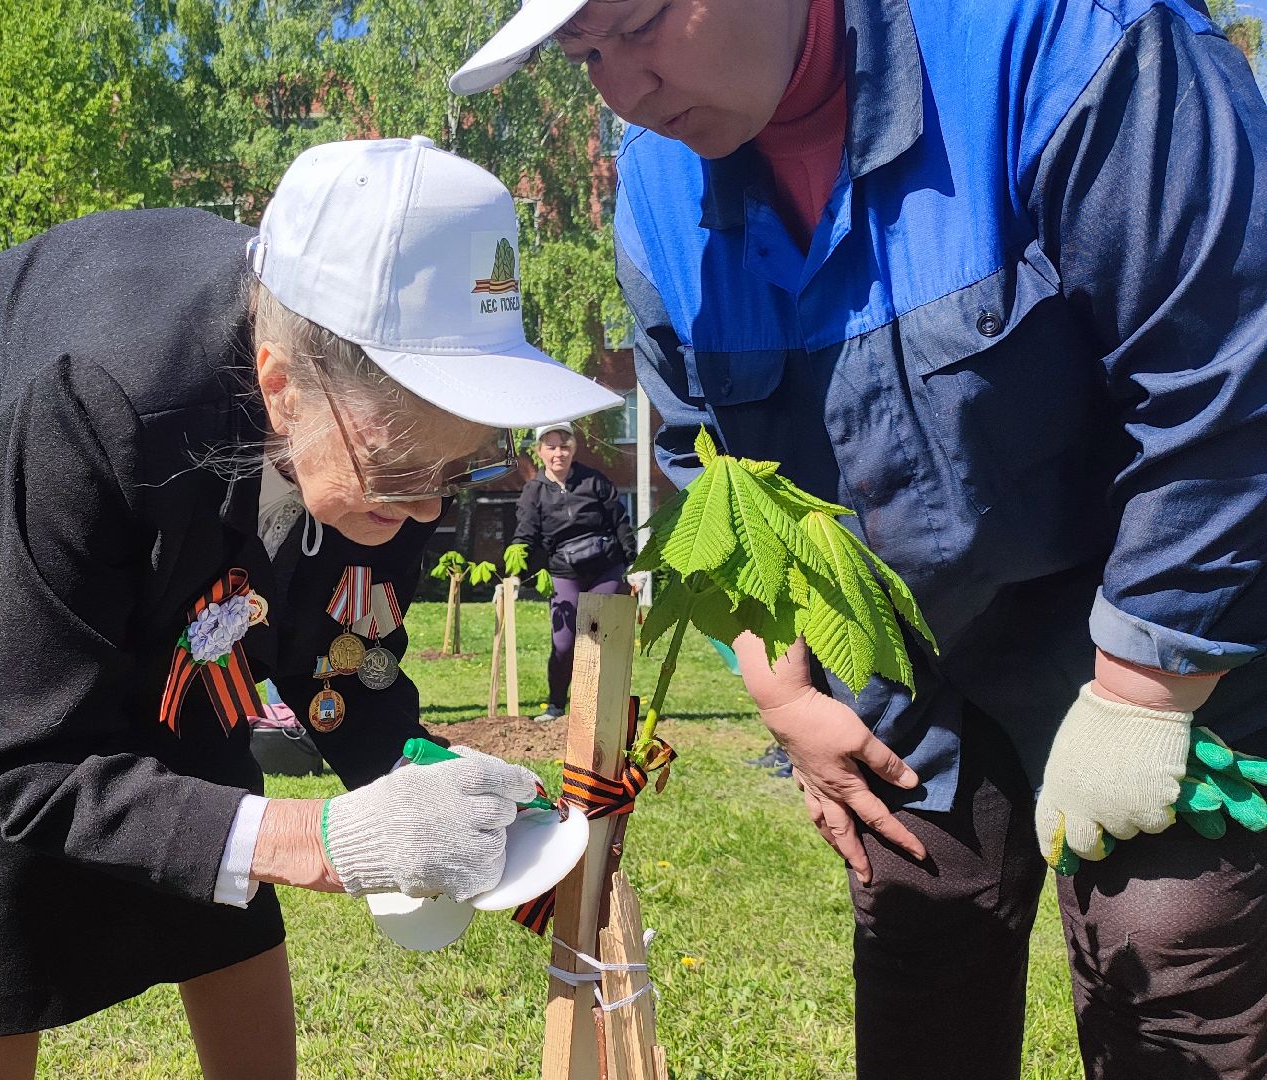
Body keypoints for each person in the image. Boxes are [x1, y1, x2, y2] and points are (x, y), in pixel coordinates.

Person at [454, 1, 1267, 1077]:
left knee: (1165, 953)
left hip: (1159, 616)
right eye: (582, 53)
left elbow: (1228, 389)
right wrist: (781, 690)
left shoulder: (1062, 45)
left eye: (639, 24)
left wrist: (1139, 695)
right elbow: (709, 475)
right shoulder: (656, 191)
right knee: (917, 930)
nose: (622, 89)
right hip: (900, 657)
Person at [0, 136, 622, 1079]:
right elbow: (40, 769)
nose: (427, 512)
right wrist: (324, 841)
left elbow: (344, 658)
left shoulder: (382, 444)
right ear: (279, 385)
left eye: (459, 465)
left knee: (203, 746)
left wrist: (440, 792)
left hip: (146, 444)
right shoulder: (101, 399)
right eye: (401, 471)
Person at [508, 422, 637, 722]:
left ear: (574, 449)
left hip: (606, 566)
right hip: (565, 571)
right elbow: (525, 535)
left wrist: (633, 565)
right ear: (539, 451)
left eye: (564, 446)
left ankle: (597, 708)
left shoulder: (594, 481)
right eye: (551, 446)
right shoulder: (534, 491)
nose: (558, 453)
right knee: (564, 643)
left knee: (596, 635)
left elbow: (620, 521)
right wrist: (514, 574)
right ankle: (555, 706)